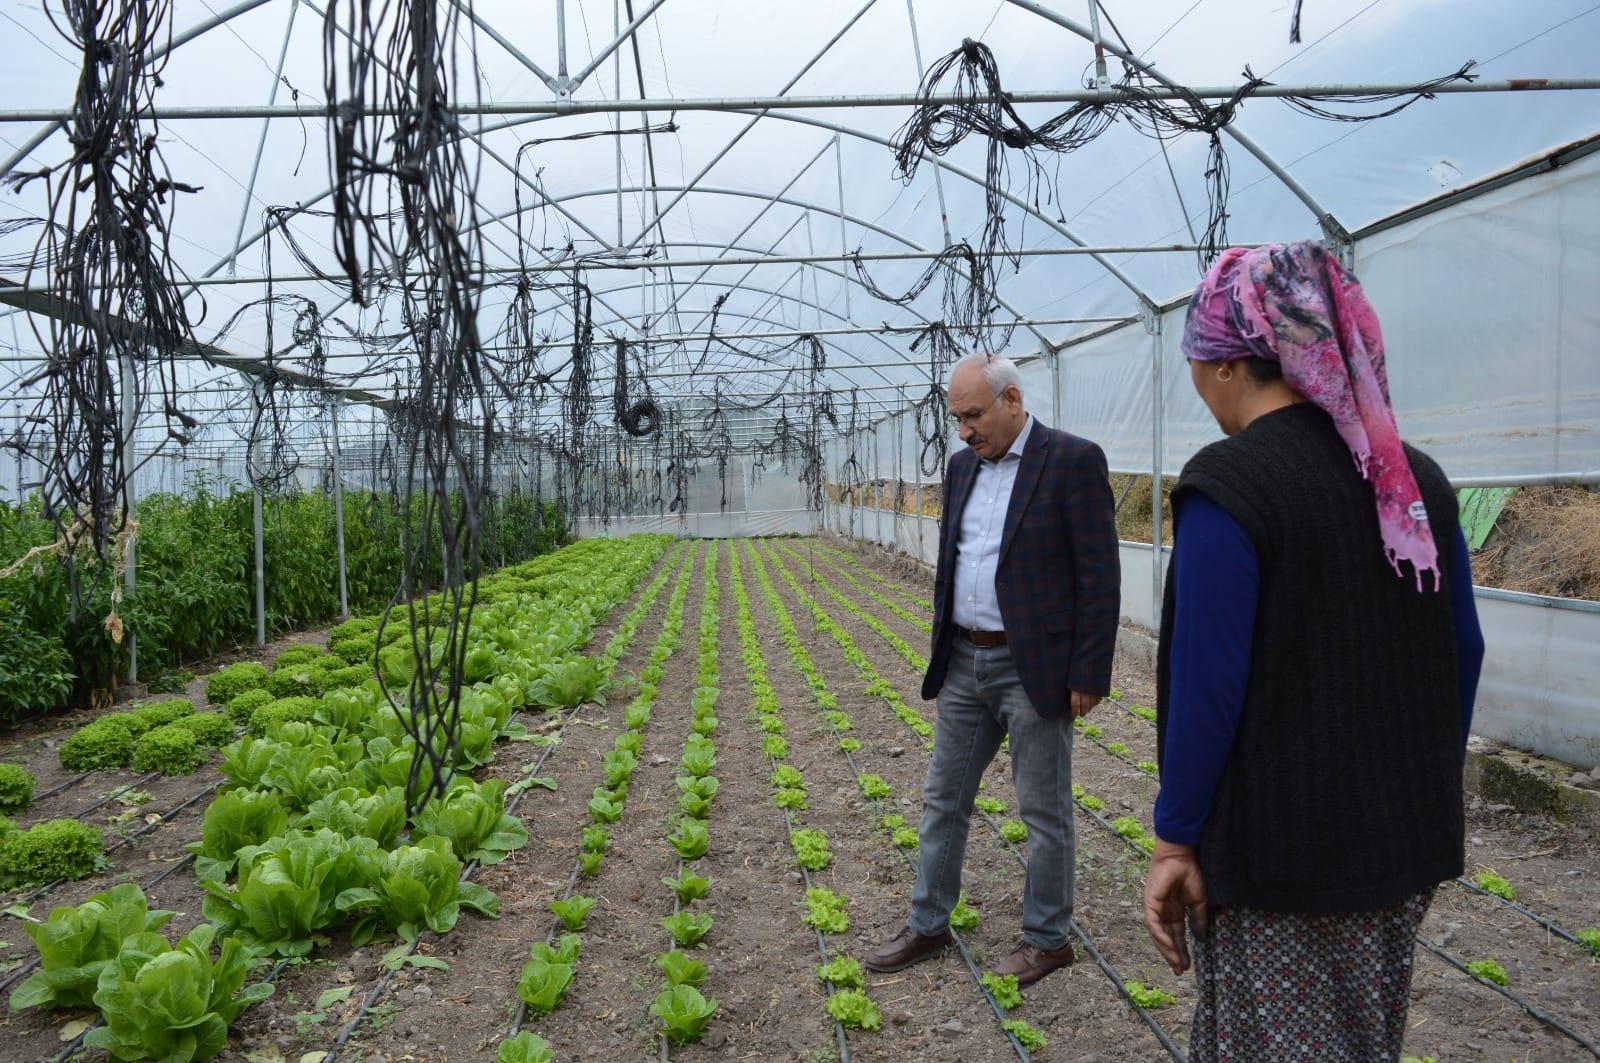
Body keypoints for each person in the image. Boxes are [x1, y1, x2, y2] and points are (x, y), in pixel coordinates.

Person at [1143, 242, 1486, 1062]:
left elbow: (1209, 686)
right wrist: (1414, 779)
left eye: (1197, 360)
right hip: (1403, 845)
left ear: (1230, 364)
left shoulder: (1231, 486)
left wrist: (1174, 840)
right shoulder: (1416, 479)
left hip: (1285, 858)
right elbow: (1463, 649)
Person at [865, 353, 1120, 986]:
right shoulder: (961, 469)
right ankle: (927, 924)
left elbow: (1099, 574)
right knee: (943, 798)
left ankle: (1047, 938)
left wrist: (1089, 669)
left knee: (1043, 809)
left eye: (973, 415)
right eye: (956, 417)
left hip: (1032, 664)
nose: (964, 429)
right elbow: (956, 560)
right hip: (962, 660)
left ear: (1012, 400)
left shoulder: (1071, 460)